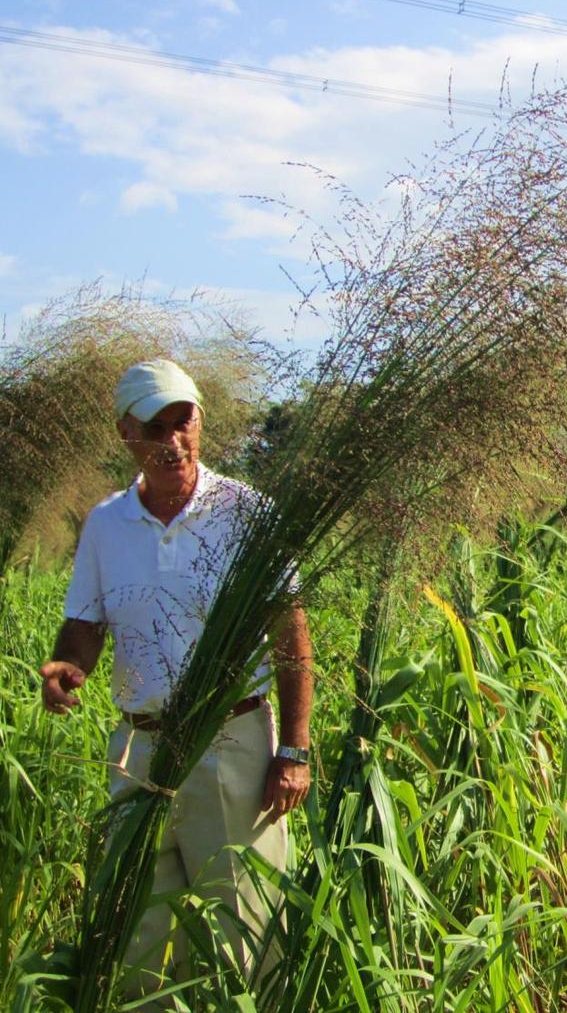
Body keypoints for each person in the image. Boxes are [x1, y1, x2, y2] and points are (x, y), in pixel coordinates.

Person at [38, 358, 314, 1003]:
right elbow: (86, 622)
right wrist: (66, 668)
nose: (172, 441)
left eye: (181, 422)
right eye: (153, 427)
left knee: (245, 925)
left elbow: (291, 637)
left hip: (233, 742)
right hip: (139, 749)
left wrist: (294, 751)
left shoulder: (247, 512)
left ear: (201, 421)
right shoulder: (106, 523)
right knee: (137, 927)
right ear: (125, 435)